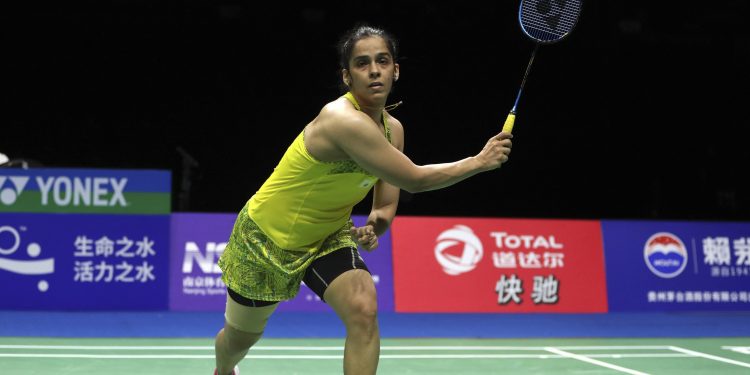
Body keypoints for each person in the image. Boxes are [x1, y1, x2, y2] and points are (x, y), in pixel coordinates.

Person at [213, 24, 513, 375]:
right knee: (240, 339)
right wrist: (479, 162)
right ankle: (223, 369)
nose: (374, 70)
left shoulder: (392, 129)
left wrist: (375, 224)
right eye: (362, 63)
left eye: (383, 61)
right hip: (266, 239)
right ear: (347, 76)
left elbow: (385, 202)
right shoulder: (342, 120)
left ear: (395, 70)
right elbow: (413, 180)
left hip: (327, 235)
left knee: (363, 309)